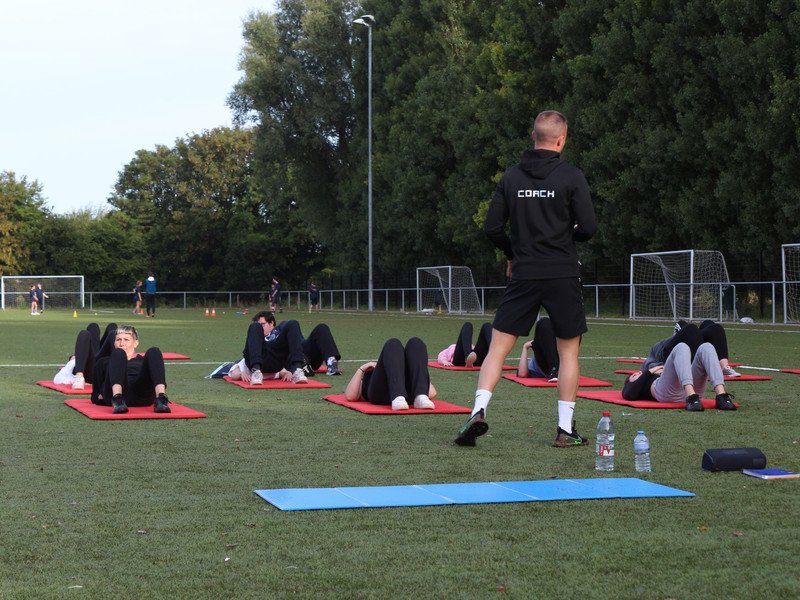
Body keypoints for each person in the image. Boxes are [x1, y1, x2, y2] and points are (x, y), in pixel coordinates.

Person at [455, 110, 597, 448]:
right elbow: (588, 228)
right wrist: (563, 238)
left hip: (525, 272)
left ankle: (478, 411)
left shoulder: (512, 178)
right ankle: (565, 429)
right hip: (562, 271)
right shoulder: (571, 176)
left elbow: (492, 228)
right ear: (561, 140)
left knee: (498, 350)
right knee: (568, 354)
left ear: (533, 138)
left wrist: (513, 252)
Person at [622, 323, 737, 411]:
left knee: (706, 347)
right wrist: (650, 371)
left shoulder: (650, 369)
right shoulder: (636, 384)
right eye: (634, 375)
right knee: (681, 347)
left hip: (691, 388)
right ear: (631, 381)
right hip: (667, 393)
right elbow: (629, 394)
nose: (637, 373)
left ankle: (721, 396)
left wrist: (654, 370)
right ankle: (691, 398)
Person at [231, 311, 342, 385]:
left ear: (272, 323)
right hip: (276, 359)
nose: (260, 328)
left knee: (318, 327)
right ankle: (258, 371)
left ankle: (331, 363)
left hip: (301, 353)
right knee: (255, 328)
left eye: (263, 324)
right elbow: (237, 367)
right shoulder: (256, 338)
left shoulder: (280, 332)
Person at [90, 324, 170, 414]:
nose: (122, 343)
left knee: (154, 351)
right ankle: (118, 399)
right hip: (114, 395)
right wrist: (100, 396)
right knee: (118, 353)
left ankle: (161, 398)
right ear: (114, 343)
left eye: (126, 340)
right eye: (118, 340)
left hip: (142, 395)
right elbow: (95, 396)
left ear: (135, 343)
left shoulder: (142, 361)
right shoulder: (103, 362)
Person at [345, 337, 436, 410]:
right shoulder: (372, 373)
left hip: (409, 396)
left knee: (416, 343)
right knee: (393, 343)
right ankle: (398, 397)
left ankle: (420, 397)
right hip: (381, 394)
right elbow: (350, 396)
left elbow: (432, 393)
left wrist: (415, 368)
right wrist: (362, 368)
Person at [54, 322, 117, 390]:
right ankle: (79, 377)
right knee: (92, 327)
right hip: (91, 370)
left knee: (112, 329)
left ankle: (117, 374)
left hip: (102, 365)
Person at [516, 316, 559, 381]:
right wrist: (525, 347)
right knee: (544, 322)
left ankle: (555, 370)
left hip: (560, 358)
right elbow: (522, 374)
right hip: (546, 366)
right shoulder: (532, 368)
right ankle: (554, 370)